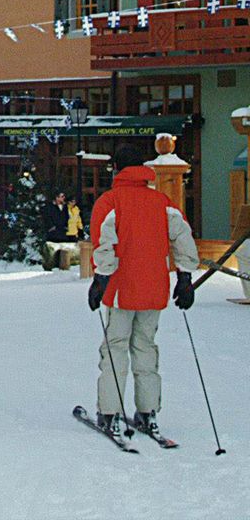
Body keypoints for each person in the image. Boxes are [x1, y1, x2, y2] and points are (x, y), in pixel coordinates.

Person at [88, 145, 199, 439]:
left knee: (115, 348)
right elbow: (182, 237)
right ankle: (148, 412)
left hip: (122, 289)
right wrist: (185, 277)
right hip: (154, 288)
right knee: (146, 348)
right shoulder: (162, 201)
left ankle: (109, 412)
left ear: (117, 169)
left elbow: (104, 242)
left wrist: (100, 279)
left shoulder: (110, 201)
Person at [42, 191, 69, 269]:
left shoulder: (65, 207)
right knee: (52, 248)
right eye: (61, 196)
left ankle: (60, 264)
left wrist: (66, 226)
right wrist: (51, 226)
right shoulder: (50, 207)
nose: (63, 198)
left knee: (61, 248)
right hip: (53, 231)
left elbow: (66, 217)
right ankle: (50, 265)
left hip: (62, 231)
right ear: (57, 198)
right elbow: (46, 217)